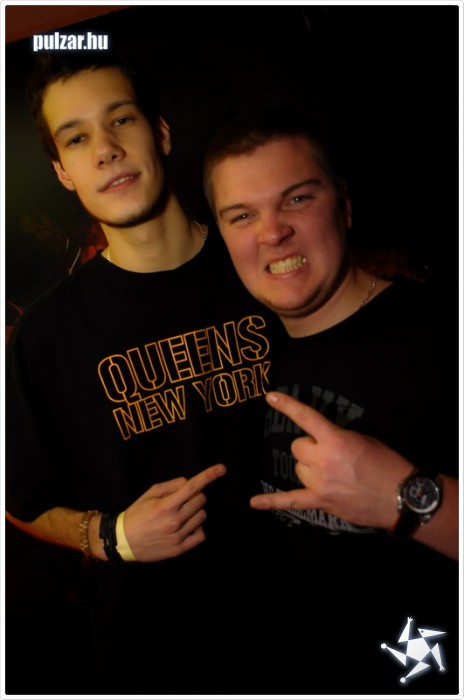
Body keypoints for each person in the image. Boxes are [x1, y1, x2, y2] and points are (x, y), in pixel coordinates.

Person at [5, 52, 278, 695]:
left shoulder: (266, 269)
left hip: (314, 630)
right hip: (157, 656)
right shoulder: (46, 335)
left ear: (160, 132)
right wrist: (111, 536)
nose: (105, 149)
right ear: (63, 172)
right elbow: (20, 496)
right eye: (76, 138)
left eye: (120, 120)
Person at [203, 109, 459, 694]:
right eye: (242, 215)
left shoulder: (442, 336)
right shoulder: (247, 354)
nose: (272, 233)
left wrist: (404, 497)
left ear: (343, 204)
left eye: (296, 199)